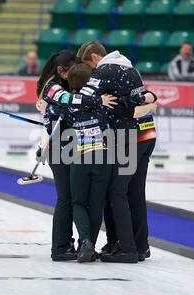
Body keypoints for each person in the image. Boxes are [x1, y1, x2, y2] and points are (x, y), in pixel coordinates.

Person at [77, 41, 158, 263]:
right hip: (145, 133)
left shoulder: (103, 71)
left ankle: (127, 249)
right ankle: (140, 246)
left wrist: (96, 101)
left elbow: (83, 99)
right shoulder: (130, 68)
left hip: (126, 136)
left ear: (95, 58)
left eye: (89, 66)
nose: (91, 72)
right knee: (135, 192)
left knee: (116, 191)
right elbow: (143, 99)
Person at [36, 50, 118, 262]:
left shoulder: (64, 82)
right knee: (67, 197)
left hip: (70, 146)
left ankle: (78, 243)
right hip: (60, 147)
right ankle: (60, 246)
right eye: (70, 71)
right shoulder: (52, 86)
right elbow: (68, 100)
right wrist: (97, 101)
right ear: (61, 70)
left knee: (73, 197)